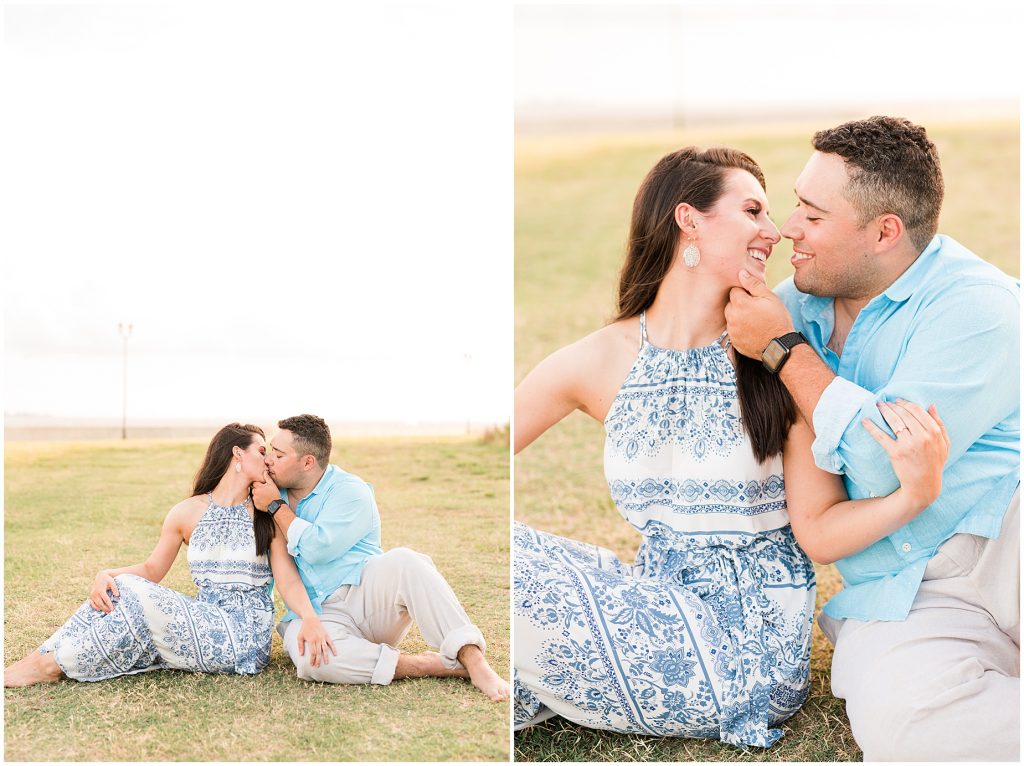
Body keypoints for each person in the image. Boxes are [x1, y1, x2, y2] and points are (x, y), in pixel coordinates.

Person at [513, 146, 949, 747]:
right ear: (689, 220)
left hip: (748, 651)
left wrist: (913, 496)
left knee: (518, 584)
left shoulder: (775, 357)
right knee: (509, 554)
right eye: (752, 211)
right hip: (652, 601)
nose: (774, 232)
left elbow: (818, 533)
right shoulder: (596, 360)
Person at [725, 116, 1020, 761]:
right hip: (907, 592)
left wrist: (786, 353)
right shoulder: (791, 305)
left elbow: (882, 460)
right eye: (793, 205)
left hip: (1009, 544)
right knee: (905, 725)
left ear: (885, 232)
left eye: (812, 213)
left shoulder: (980, 306)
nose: (786, 230)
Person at [4, 423, 333, 687]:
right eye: (262, 451)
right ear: (237, 453)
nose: (269, 460)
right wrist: (108, 574)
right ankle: (42, 657)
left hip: (244, 637)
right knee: (118, 593)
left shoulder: (266, 513)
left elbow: (287, 579)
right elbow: (152, 569)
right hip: (203, 621)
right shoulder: (185, 513)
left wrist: (310, 618)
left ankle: (49, 666)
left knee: (133, 592)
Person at [250, 414, 509, 701]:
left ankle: (475, 663)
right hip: (316, 613)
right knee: (313, 659)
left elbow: (317, 548)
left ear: (308, 462)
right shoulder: (271, 490)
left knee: (407, 562)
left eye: (279, 453)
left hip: (367, 599)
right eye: (271, 451)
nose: (269, 460)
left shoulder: (350, 492)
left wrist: (275, 506)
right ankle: (428, 664)